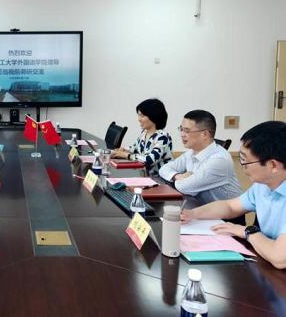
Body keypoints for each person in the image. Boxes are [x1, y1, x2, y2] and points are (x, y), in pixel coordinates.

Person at [181, 121, 286, 270]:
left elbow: (279, 258)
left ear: (273, 165)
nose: (242, 166)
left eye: (245, 160)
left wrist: (246, 231)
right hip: (265, 262)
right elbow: (230, 206)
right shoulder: (262, 186)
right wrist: (192, 214)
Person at [159, 110, 242, 205]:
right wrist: (177, 176)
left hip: (227, 212)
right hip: (202, 207)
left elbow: (184, 187)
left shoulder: (219, 160)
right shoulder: (192, 152)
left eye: (187, 131)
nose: (182, 134)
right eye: (181, 129)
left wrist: (179, 179)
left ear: (205, 134)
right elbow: (164, 169)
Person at [111, 98, 173, 176]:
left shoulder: (163, 137)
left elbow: (149, 160)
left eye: (142, 116)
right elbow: (135, 148)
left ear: (153, 116)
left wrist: (125, 155)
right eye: (139, 116)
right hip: (145, 175)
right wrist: (124, 149)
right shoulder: (144, 133)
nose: (139, 119)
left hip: (160, 178)